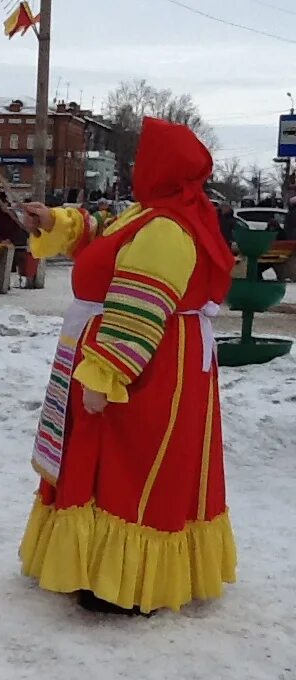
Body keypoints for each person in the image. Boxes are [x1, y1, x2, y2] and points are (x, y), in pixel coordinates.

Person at [18, 117, 237, 615]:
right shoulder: (153, 213)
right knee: (110, 462)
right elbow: (105, 239)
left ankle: (126, 583)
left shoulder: (167, 228)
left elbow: (140, 306)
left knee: (131, 468)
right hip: (148, 362)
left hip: (149, 370)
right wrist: (56, 222)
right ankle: (96, 566)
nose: (137, 167)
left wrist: (105, 371)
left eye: (144, 160)